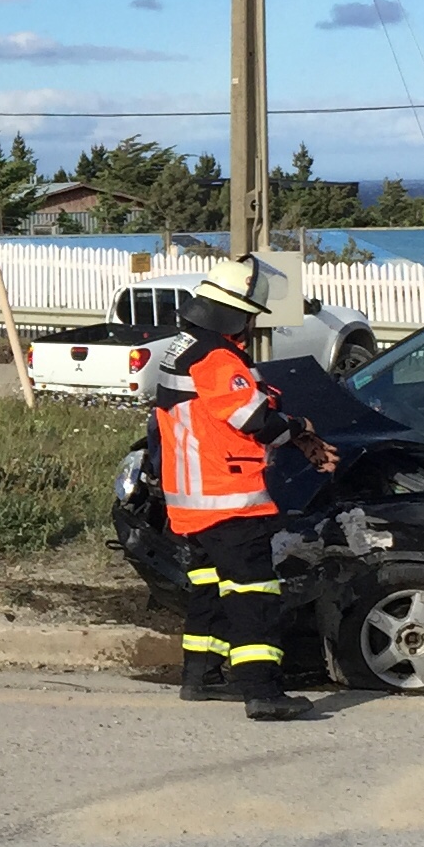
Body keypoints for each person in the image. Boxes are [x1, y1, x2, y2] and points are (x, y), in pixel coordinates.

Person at [146, 257, 335, 722]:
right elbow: (253, 420)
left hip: (191, 500)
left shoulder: (183, 348)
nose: (251, 327)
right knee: (254, 593)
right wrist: (298, 427)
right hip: (229, 498)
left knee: (210, 585)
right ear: (234, 315)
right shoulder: (217, 357)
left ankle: (201, 675)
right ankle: (261, 691)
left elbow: (220, 407)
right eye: (249, 317)